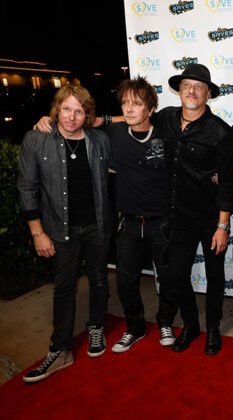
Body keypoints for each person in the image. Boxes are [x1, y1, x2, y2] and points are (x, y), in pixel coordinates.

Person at [35, 77, 179, 352]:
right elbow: (78, 122)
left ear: (151, 109)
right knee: (125, 281)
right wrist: (48, 121)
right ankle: (135, 327)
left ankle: (165, 322)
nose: (129, 108)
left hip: (161, 223)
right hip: (128, 223)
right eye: (125, 102)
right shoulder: (112, 134)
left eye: (137, 104)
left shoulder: (166, 133)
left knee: (168, 277)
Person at [18, 85, 111, 383]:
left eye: (79, 111)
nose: (72, 116)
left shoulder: (99, 140)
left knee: (99, 280)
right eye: (66, 109)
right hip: (59, 229)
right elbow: (27, 188)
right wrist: (37, 233)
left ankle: (96, 327)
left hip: (98, 226)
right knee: (63, 288)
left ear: (88, 115)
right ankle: (61, 350)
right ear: (56, 109)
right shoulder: (37, 139)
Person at [151, 64, 233, 354]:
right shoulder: (166, 118)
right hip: (178, 218)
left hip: (211, 219)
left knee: (215, 277)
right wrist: (96, 120)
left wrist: (223, 226)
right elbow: (135, 118)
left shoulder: (220, 132)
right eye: (187, 85)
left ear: (208, 94)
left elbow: (227, 184)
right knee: (176, 275)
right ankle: (190, 324)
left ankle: (213, 328)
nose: (192, 91)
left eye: (199, 87)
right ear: (179, 89)